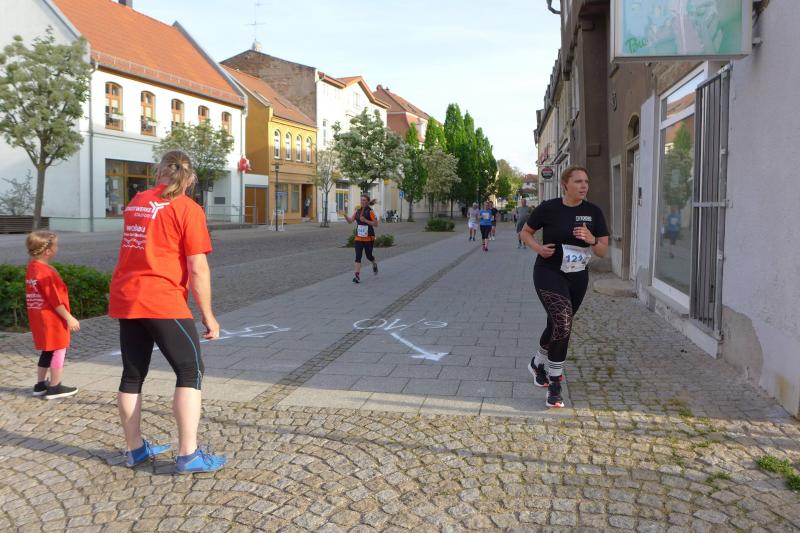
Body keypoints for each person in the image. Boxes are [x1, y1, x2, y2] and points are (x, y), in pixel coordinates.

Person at [109, 150, 226, 473]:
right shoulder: (188, 208)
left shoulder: (136, 202)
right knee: (191, 371)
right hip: (161, 299)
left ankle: (135, 449)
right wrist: (208, 315)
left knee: (132, 374)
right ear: (190, 179)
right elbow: (197, 268)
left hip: (127, 297)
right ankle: (189, 454)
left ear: (159, 172)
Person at [519, 165, 609, 408]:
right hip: (548, 271)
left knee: (557, 324)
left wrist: (592, 240)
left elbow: (602, 250)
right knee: (563, 322)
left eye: (586, 182)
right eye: (578, 181)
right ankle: (555, 381)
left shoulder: (593, 212)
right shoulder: (548, 208)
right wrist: (538, 248)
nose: (584, 186)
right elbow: (525, 233)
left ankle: (537, 363)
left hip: (577, 276)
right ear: (565, 185)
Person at [24, 231, 80, 400]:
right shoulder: (46, 272)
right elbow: (55, 300)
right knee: (59, 349)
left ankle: (40, 385)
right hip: (52, 318)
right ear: (48, 251)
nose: (58, 248)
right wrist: (69, 318)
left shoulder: (32, 267)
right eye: (56, 245)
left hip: (39, 317)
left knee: (48, 350)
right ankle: (55, 387)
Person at [345, 194, 379, 283]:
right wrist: (345, 215)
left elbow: (376, 224)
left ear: (367, 201)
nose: (362, 202)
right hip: (358, 238)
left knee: (369, 256)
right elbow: (350, 221)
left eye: (364, 200)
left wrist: (365, 220)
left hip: (369, 238)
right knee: (358, 257)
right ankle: (357, 276)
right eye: (361, 200)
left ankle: (374, 262)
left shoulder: (370, 211)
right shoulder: (357, 211)